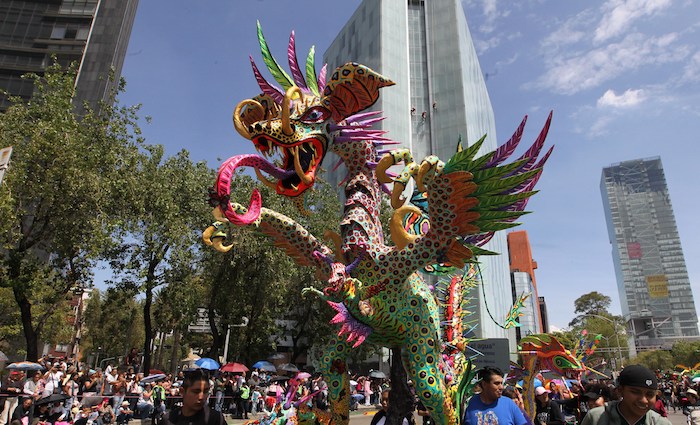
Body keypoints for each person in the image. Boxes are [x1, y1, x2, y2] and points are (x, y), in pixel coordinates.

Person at [581, 365, 671, 425]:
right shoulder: (597, 418)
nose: (644, 400)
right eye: (636, 392)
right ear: (620, 391)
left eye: (650, 394)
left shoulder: (661, 423)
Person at [463, 367, 528, 425]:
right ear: (484, 384)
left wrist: (523, 412)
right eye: (496, 383)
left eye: (501, 383)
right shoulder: (469, 404)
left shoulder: (509, 404)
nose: (501, 387)